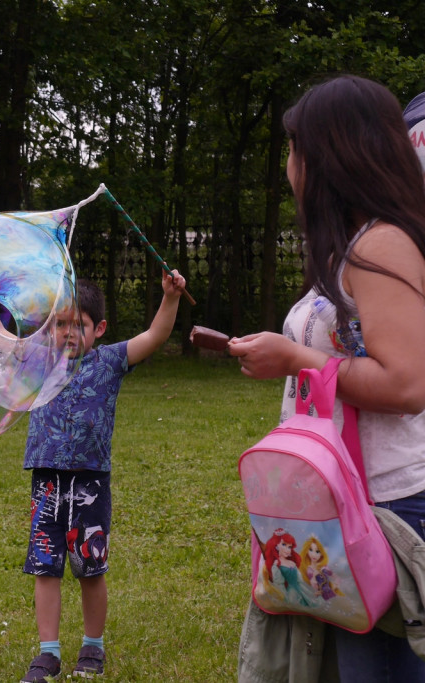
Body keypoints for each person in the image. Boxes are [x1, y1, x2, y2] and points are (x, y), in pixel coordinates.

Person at [229, 74, 425, 682]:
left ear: (333, 154)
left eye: (295, 149)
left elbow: (406, 384)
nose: (289, 167)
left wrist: (294, 358)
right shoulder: (351, 247)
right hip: (344, 507)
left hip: (390, 509)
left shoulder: (384, 244)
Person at [0, 266, 186, 680]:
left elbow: (154, 336)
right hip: (47, 482)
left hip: (90, 483)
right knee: (46, 568)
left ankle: (92, 647)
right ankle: (48, 652)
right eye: (59, 324)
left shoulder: (109, 361)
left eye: (76, 325)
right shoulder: (38, 361)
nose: (66, 333)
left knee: (90, 568)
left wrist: (170, 298)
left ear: (98, 328)